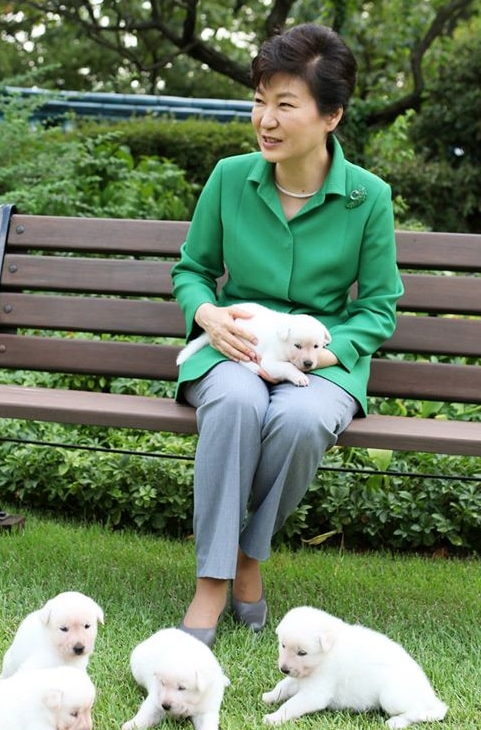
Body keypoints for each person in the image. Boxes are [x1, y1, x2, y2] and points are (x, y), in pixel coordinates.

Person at [171, 22, 404, 648]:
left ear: (330, 116)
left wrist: (331, 352)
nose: (265, 120)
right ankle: (212, 581)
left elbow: (379, 307)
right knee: (238, 402)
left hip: (320, 361)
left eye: (285, 104)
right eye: (259, 101)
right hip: (236, 345)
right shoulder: (230, 177)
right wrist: (207, 316)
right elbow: (192, 271)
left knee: (301, 420)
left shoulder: (367, 198)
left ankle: (249, 558)